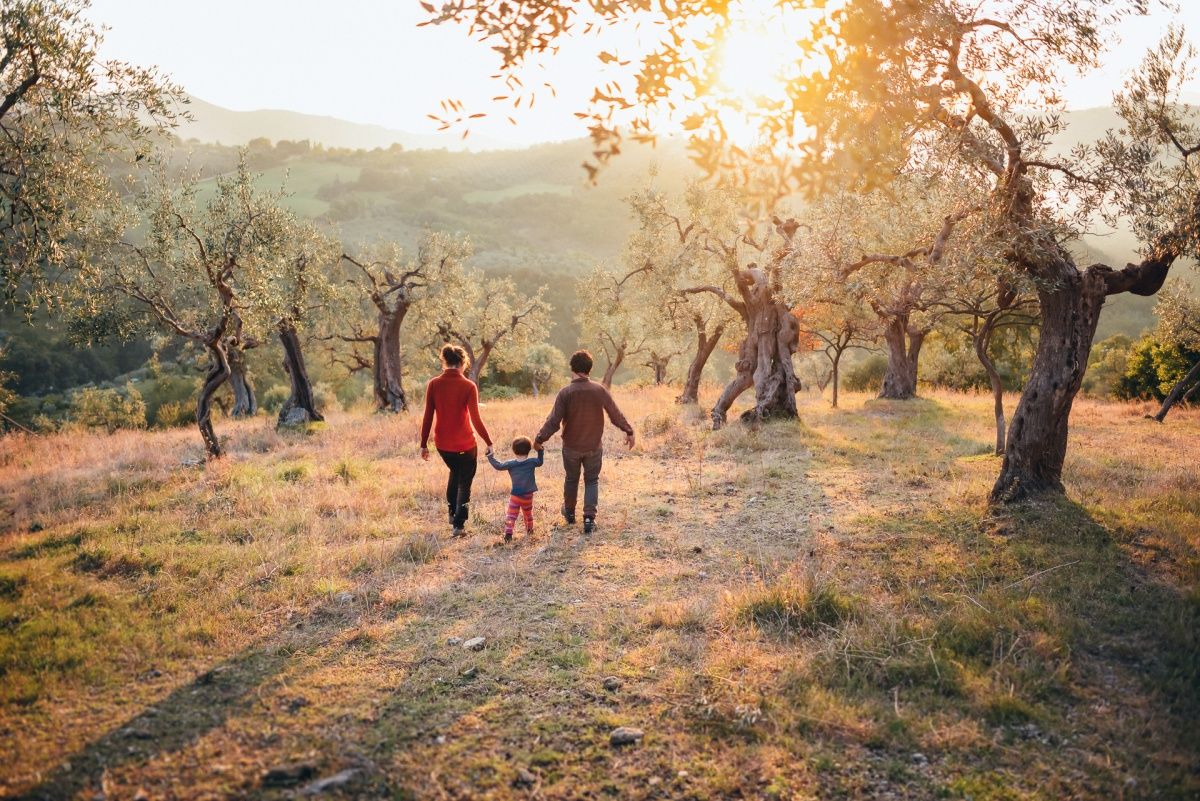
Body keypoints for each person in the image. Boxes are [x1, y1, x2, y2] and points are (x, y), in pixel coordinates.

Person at [534, 350, 635, 534]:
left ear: (572, 368)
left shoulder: (565, 392)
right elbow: (615, 414)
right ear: (590, 369)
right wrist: (628, 430)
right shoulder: (599, 390)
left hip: (571, 447)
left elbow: (554, 421)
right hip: (593, 446)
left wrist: (540, 439)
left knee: (571, 479)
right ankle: (589, 518)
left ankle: (570, 514)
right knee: (592, 481)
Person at [420, 344, 493, 536]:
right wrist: (489, 441)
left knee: (455, 471)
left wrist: (423, 444)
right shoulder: (469, 386)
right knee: (465, 482)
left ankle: (452, 513)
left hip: (443, 445)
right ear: (463, 363)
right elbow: (476, 419)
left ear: (444, 362)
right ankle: (459, 525)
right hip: (465, 445)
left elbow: (428, 416)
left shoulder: (434, 384)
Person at [487, 436, 545, 543]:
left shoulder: (511, 464)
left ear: (514, 450)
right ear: (529, 450)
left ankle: (508, 533)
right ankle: (529, 530)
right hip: (528, 496)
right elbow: (540, 462)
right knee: (528, 514)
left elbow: (498, 466)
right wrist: (540, 450)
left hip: (515, 496)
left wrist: (490, 456)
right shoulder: (532, 462)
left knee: (511, 515)